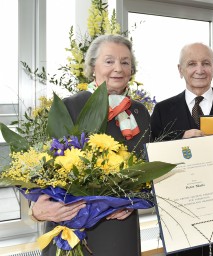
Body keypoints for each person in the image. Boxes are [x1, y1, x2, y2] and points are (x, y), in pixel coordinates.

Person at [30, 34, 151, 256]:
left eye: (125, 62)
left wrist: (133, 200)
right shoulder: (70, 106)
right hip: (71, 224)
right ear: (92, 66)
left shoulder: (139, 112)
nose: (118, 68)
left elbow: (147, 172)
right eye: (109, 61)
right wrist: (36, 208)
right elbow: (41, 169)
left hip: (119, 228)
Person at [151, 42, 213, 256]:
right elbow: (152, 153)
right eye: (191, 64)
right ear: (180, 70)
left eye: (206, 63)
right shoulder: (162, 110)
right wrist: (179, 140)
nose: (199, 70)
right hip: (178, 208)